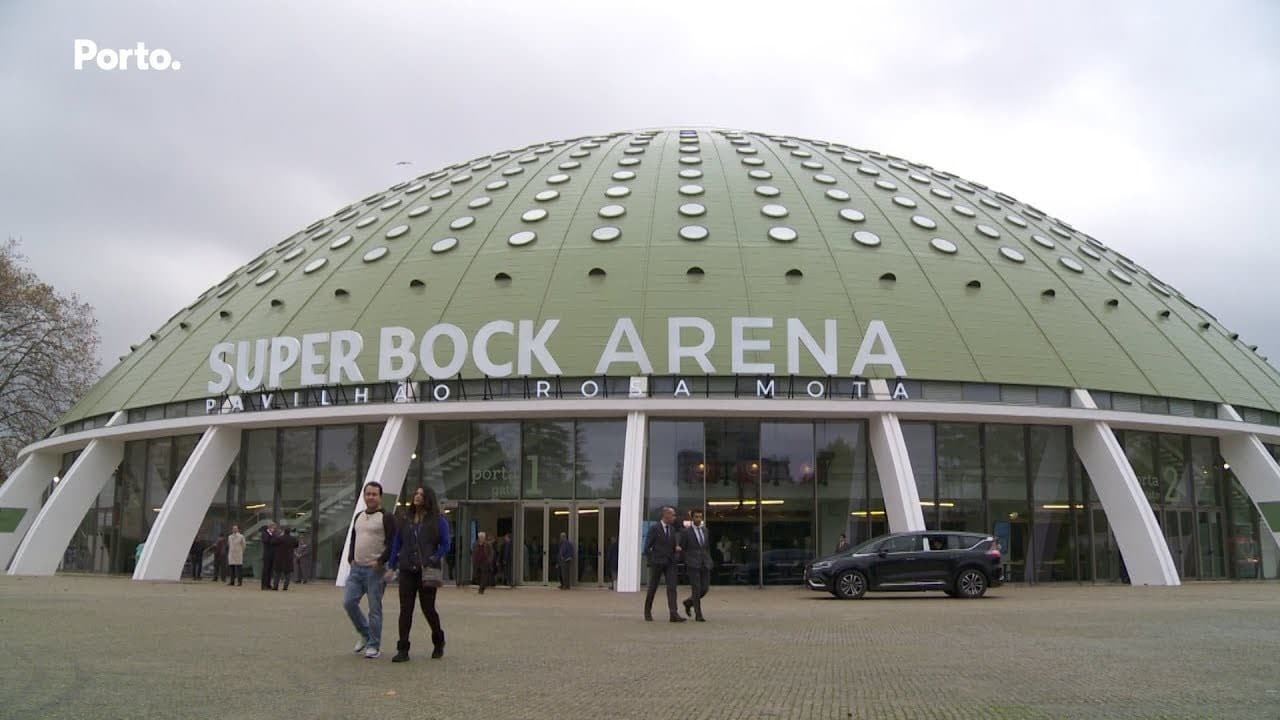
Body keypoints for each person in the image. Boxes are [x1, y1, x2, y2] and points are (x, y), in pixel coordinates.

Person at [388, 486, 451, 662]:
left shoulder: (438, 521)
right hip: (407, 569)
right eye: (416, 493)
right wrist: (391, 565)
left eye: (421, 494)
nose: (417, 496)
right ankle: (403, 649)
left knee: (428, 608)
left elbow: (446, 544)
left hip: (427, 570)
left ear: (428, 499)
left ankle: (438, 640)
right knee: (405, 609)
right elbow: (396, 543)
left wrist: (434, 557)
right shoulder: (405, 519)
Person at [343, 481, 396, 659]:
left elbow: (392, 543)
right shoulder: (358, 516)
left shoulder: (386, 517)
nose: (371, 497)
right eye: (368, 494)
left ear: (380, 497)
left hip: (375, 571)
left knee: (374, 609)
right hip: (357, 569)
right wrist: (351, 558)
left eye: (374, 494)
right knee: (349, 602)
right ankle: (365, 634)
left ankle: (374, 645)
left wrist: (381, 561)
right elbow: (353, 538)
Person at [643, 506, 684, 622]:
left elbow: (671, 546)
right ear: (666, 515)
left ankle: (673, 613)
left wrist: (676, 551)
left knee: (672, 587)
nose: (674, 517)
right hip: (658, 562)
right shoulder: (654, 528)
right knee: (653, 587)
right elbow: (647, 548)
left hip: (670, 563)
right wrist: (652, 560)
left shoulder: (672, 529)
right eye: (673, 515)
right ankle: (647, 611)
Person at [679, 509, 712, 622]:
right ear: (692, 518)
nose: (698, 519)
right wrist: (687, 560)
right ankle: (699, 615)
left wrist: (709, 560)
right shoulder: (686, 532)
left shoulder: (705, 530)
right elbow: (682, 548)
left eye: (700, 517)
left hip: (704, 563)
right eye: (696, 517)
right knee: (696, 589)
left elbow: (706, 547)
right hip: (692, 563)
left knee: (705, 588)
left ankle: (688, 602)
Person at [260, 522, 278, 590]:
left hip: (273, 554)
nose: (274, 529)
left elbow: (275, 541)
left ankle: (268, 584)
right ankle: (263, 585)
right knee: (265, 570)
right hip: (267, 554)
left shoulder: (274, 534)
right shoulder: (264, 533)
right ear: (270, 527)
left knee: (270, 570)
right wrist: (271, 535)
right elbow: (266, 541)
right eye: (273, 528)